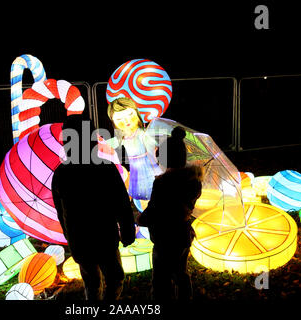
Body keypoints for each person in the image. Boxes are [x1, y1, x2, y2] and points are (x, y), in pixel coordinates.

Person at [51, 114, 136, 301]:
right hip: (105, 236)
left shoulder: (61, 174)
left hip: (79, 239)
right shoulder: (106, 169)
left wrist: (68, 236)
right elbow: (122, 204)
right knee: (115, 278)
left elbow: (60, 211)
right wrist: (128, 231)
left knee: (91, 281)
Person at [137, 126, 203, 301]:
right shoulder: (194, 182)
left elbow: (154, 210)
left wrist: (141, 219)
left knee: (161, 278)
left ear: (165, 159)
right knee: (181, 272)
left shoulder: (163, 184)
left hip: (165, 237)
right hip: (183, 234)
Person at [107, 97, 164, 202]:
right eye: (119, 119)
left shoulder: (142, 134)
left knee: (152, 195)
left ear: (137, 114)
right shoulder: (123, 137)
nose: (126, 120)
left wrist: (157, 171)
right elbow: (110, 143)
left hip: (147, 169)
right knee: (139, 196)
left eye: (130, 115)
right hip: (134, 169)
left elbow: (152, 152)